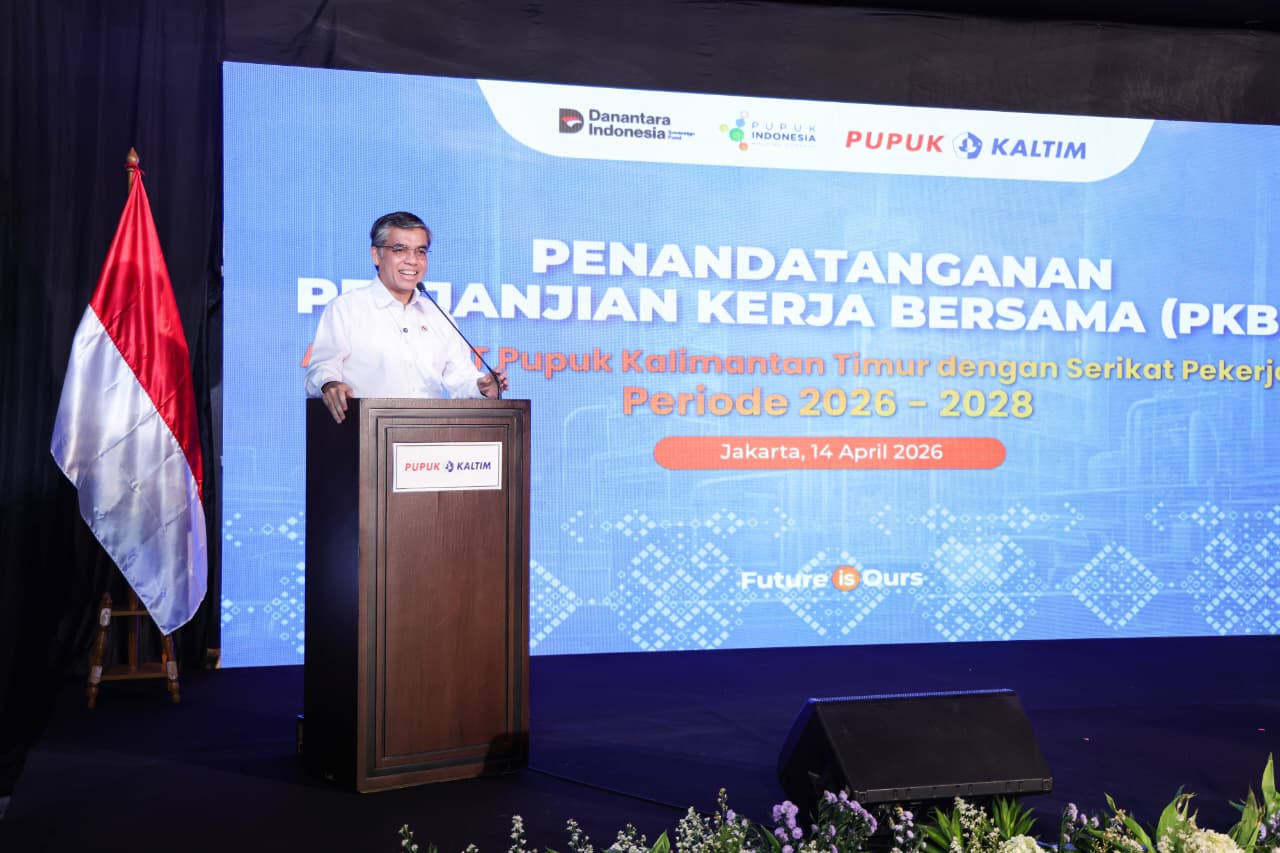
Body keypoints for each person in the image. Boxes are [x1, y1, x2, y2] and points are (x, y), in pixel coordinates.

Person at [304, 211, 509, 423]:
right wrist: (330, 384)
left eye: (421, 251)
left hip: (429, 435)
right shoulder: (346, 308)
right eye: (400, 250)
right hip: (365, 432)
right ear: (376, 255)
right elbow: (320, 369)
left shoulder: (438, 315)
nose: (412, 260)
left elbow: (461, 379)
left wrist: (482, 388)